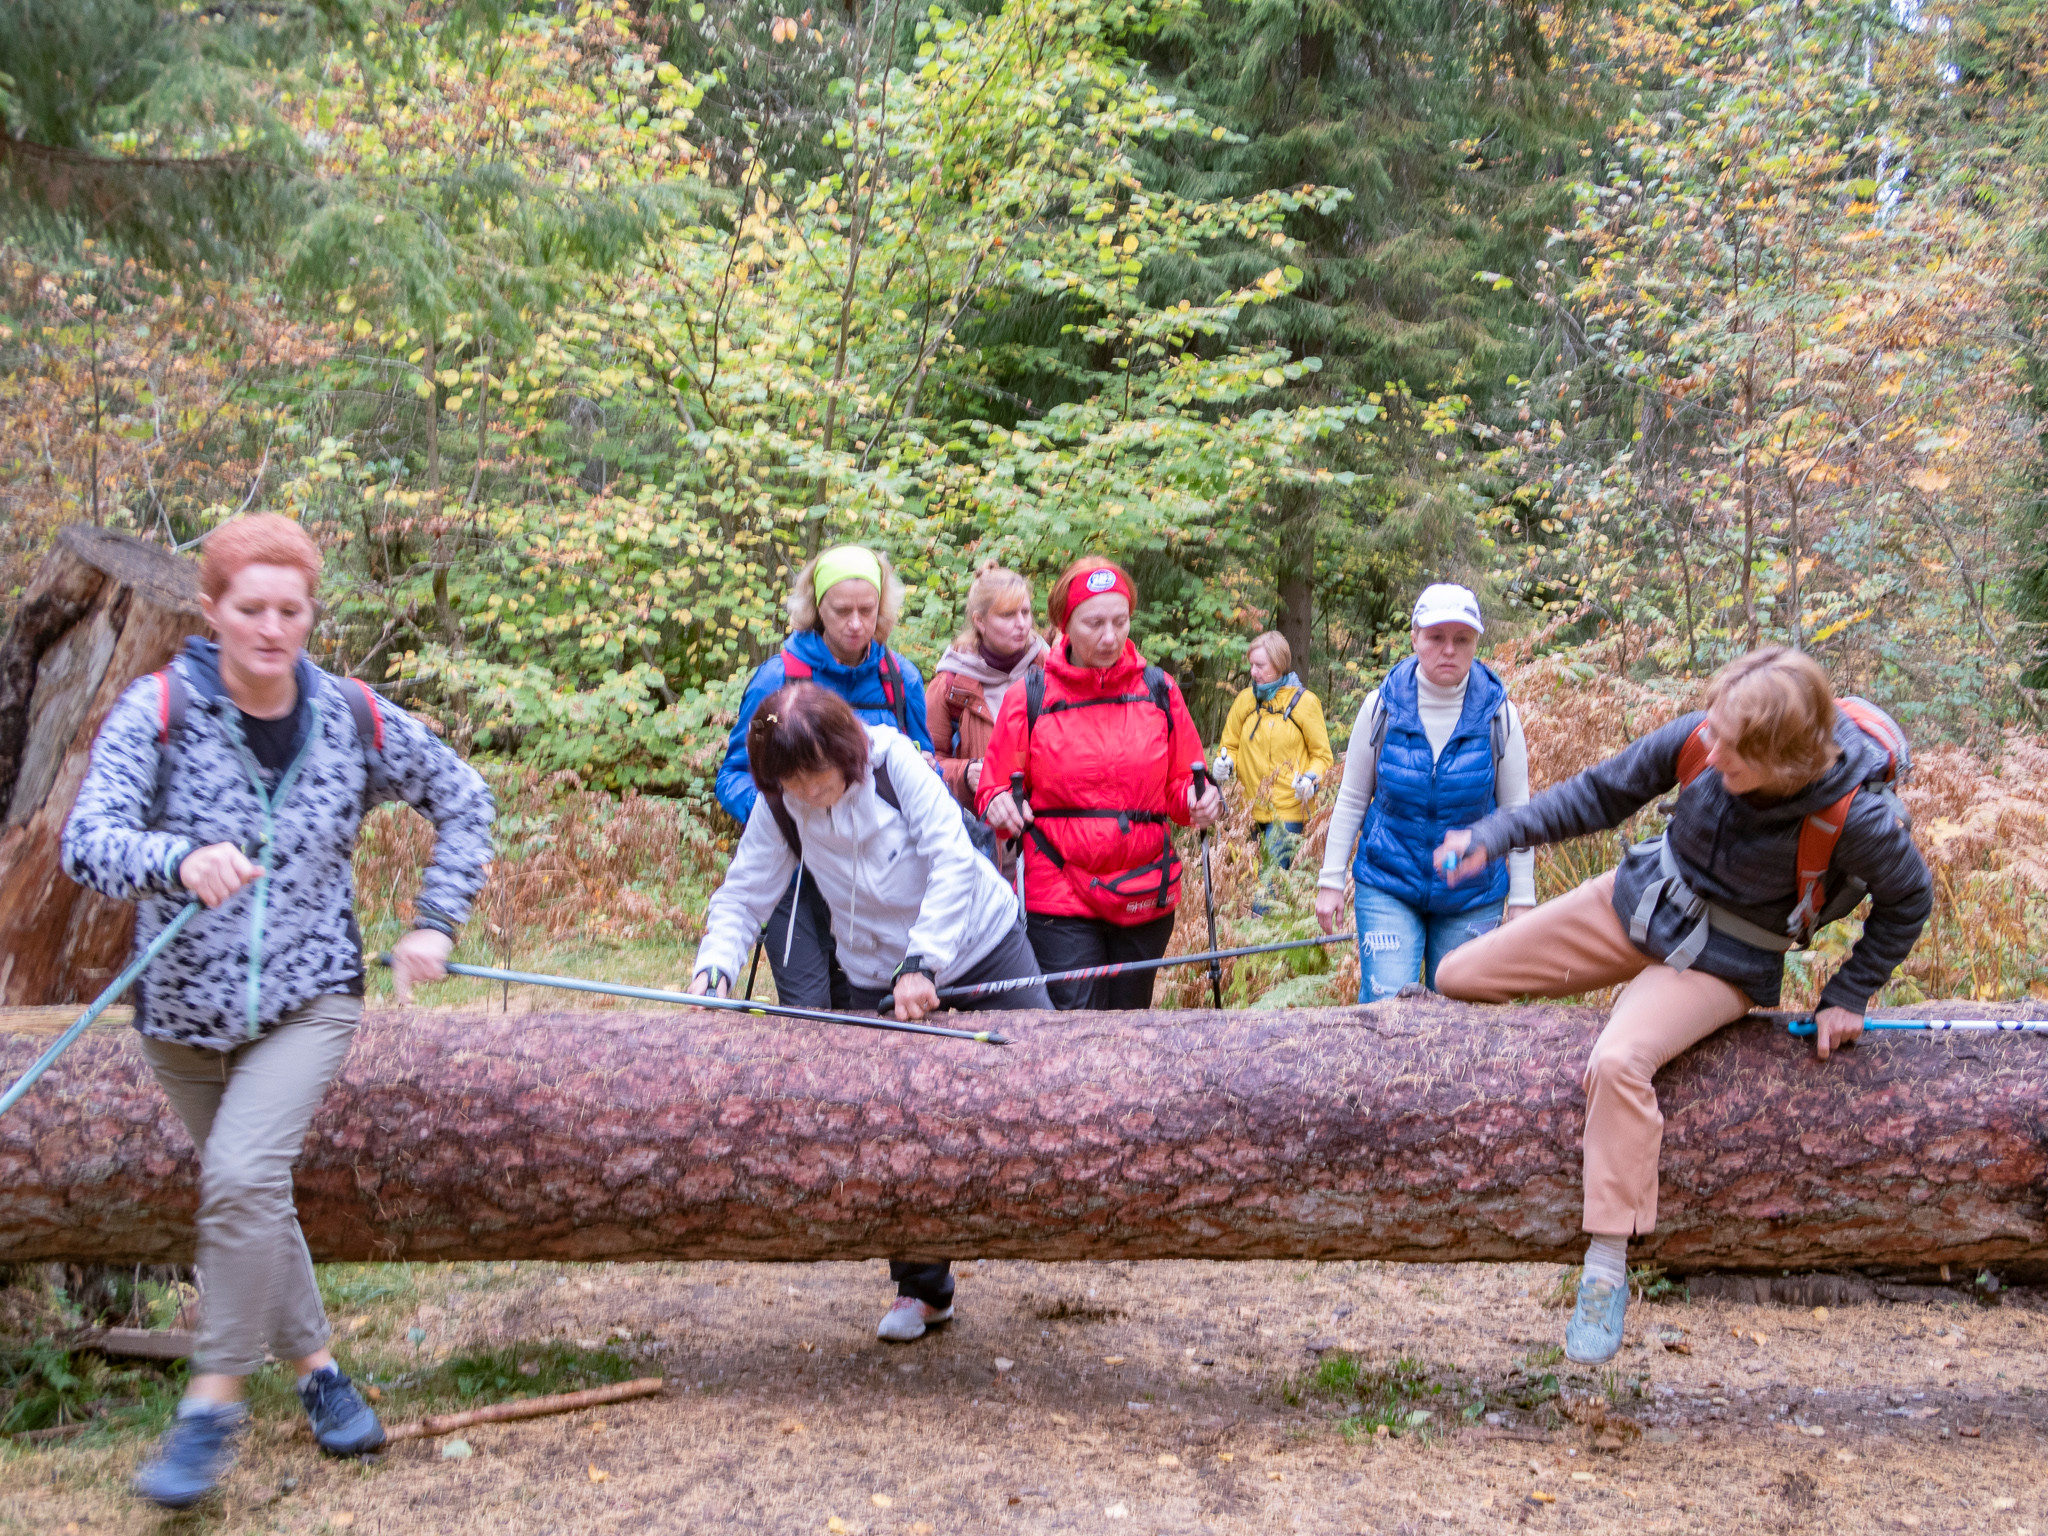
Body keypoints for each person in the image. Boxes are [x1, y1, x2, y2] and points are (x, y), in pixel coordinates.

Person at [61, 514, 494, 1510]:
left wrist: (434, 922)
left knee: (242, 1175)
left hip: (310, 998)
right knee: (252, 1193)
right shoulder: (160, 708)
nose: (270, 627)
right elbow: (86, 841)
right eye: (249, 608)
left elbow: (465, 798)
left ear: (310, 613)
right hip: (179, 1016)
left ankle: (208, 1410)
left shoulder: (352, 715)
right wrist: (176, 859)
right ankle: (319, 1373)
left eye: (289, 610)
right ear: (211, 611)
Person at [1431, 647, 1931, 1366]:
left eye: (1733, 750)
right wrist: (1494, 835)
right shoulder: (1703, 736)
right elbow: (1599, 794)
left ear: (1785, 762)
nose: (1712, 750)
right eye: (1714, 732)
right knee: (1456, 974)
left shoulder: (1857, 818)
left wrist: (1848, 994)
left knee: (1619, 1060)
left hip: (1722, 961)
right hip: (1637, 901)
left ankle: (1606, 1266)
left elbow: (1909, 901)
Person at [689, 683, 1049, 1342]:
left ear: (844, 750)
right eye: (794, 782)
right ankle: (923, 1287)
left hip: (981, 944)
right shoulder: (783, 803)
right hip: (876, 976)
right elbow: (743, 897)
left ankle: (1055, 1221)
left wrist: (924, 961)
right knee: (896, 1128)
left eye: (818, 776)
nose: (811, 793)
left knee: (1049, 1078)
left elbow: (952, 861)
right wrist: (713, 968)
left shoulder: (892, 763)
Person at [979, 558, 1222, 1010]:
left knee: (1130, 1022)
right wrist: (998, 803)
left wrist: (1201, 799)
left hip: (1143, 891)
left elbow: (1184, 787)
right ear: (1064, 624)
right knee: (1076, 1024)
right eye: (1094, 624)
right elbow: (993, 787)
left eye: (1120, 621)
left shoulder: (1160, 690)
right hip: (1060, 895)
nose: (1110, 637)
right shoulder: (1030, 696)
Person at [716, 545, 934, 1009]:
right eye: (841, 611)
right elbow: (734, 775)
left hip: (875, 878)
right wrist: (792, 814)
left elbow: (924, 757)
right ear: (817, 609)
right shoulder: (777, 681)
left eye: (866, 610)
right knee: (809, 1011)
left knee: (872, 1009)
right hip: (795, 879)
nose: (856, 623)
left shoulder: (901, 681)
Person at [1314, 584, 1535, 997]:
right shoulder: (1381, 708)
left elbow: (1517, 814)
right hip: (1388, 884)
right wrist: (1330, 880)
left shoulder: (1500, 717)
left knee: (1459, 1014)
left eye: (1462, 639)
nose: (1448, 650)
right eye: (1436, 637)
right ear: (1415, 637)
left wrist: (1523, 900)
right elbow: (1353, 798)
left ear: (1476, 643)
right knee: (1386, 1007)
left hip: (1472, 894)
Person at [927, 561, 1049, 842]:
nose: (1022, 624)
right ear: (980, 621)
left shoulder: (1051, 671)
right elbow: (924, 764)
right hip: (978, 839)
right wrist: (964, 774)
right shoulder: (949, 685)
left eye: (1025, 612)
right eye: (1007, 615)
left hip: (1046, 835)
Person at [1215, 631, 1333, 912]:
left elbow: (1322, 757)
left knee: (1267, 890)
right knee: (1247, 885)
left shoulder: (1305, 703)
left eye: (1260, 665)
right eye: (1251, 665)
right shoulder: (1245, 701)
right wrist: (1224, 763)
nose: (1253, 672)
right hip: (1247, 810)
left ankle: (1259, 934)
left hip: (1287, 811)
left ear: (1279, 664)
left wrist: (1311, 780)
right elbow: (1229, 745)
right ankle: (1256, 932)